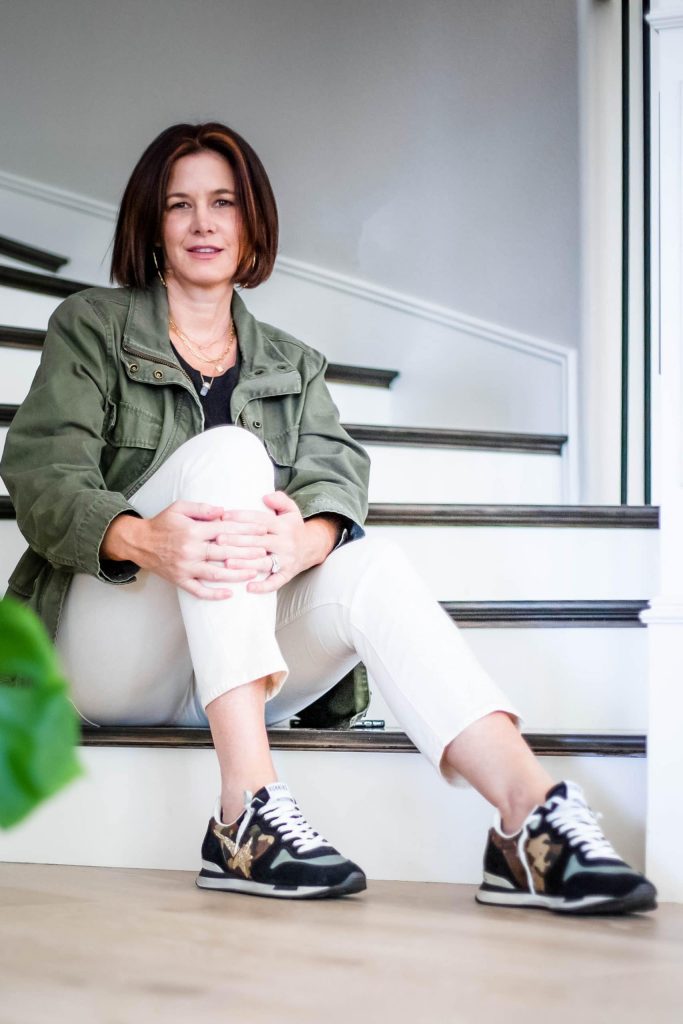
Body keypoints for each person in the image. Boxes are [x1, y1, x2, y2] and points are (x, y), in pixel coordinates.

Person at [0, 122, 656, 914]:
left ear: (251, 225)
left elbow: (336, 471)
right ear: (152, 223)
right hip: (109, 656)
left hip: (230, 657)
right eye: (180, 206)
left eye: (223, 204)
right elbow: (41, 473)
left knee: (366, 563)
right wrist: (143, 537)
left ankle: (527, 815)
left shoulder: (292, 363)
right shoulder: (93, 326)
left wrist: (303, 537)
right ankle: (245, 812)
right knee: (231, 456)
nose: (203, 224)